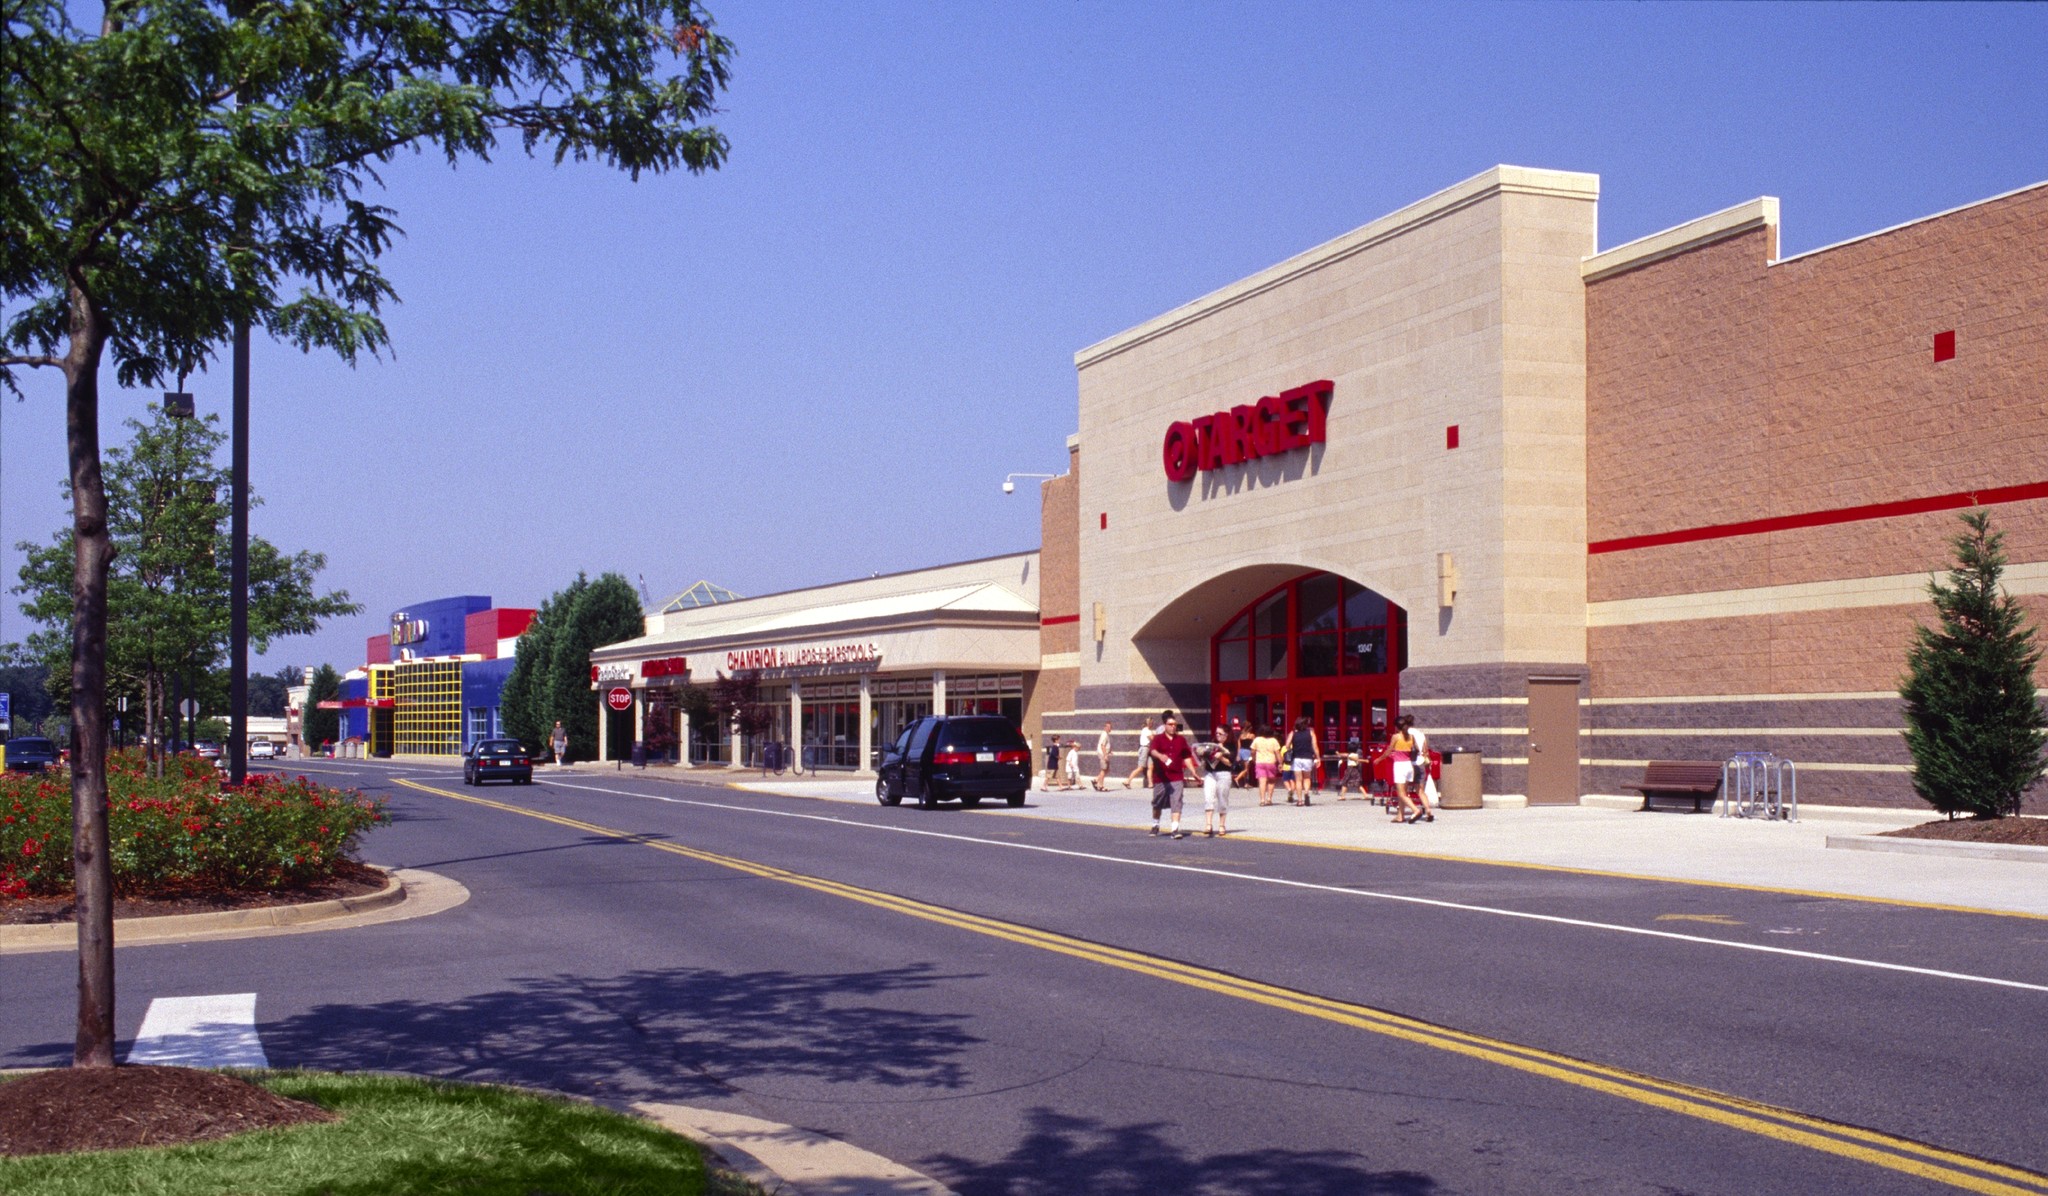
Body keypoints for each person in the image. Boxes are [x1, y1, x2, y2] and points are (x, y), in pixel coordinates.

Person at [1146, 711, 1200, 838]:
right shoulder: (1158, 739)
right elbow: (1152, 751)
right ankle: (1155, 825)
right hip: (1161, 777)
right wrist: (1160, 756)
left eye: (1175, 724)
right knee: (1157, 803)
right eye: (1170, 724)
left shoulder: (1180, 740)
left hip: (1176, 776)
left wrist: (1193, 772)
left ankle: (1175, 829)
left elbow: (1186, 756)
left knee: (1177, 801)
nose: (1173, 727)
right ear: (1165, 725)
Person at [1389, 714, 1432, 822]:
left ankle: (1403, 814)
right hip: (1420, 763)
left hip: (1409, 763)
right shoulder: (1421, 734)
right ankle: (1428, 811)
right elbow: (1425, 749)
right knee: (1420, 791)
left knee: (1402, 792)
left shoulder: (1405, 734)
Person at [1198, 733, 1235, 837]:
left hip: (1223, 773)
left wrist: (1221, 757)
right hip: (1210, 773)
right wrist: (1201, 753)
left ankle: (1222, 825)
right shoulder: (1211, 745)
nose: (1218, 735)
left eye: (1220, 733)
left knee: (1222, 799)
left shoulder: (1231, 746)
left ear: (1226, 735)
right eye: (1217, 733)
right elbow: (1202, 756)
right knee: (1208, 797)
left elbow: (1230, 763)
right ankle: (1208, 824)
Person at [1286, 716, 1320, 806]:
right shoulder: (1311, 733)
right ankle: (1306, 793)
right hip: (1307, 758)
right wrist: (1318, 758)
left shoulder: (1293, 733)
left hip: (1296, 758)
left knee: (1298, 780)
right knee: (1307, 778)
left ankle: (1299, 800)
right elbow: (1315, 746)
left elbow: (1287, 745)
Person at [1250, 723, 1282, 805]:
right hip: (1271, 762)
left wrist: (1253, 759)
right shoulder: (1274, 740)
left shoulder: (1257, 740)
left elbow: (1253, 751)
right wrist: (1280, 763)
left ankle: (1262, 800)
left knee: (1262, 781)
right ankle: (1269, 799)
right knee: (1271, 781)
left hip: (1260, 762)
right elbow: (1277, 753)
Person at [1124, 717, 1157, 788]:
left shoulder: (1147, 730)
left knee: (1150, 766)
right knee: (1140, 767)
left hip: (1148, 749)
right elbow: (1153, 739)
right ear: (1149, 723)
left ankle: (1150, 784)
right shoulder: (1146, 730)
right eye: (1152, 723)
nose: (1153, 724)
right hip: (1145, 749)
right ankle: (1128, 781)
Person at [1093, 722, 1114, 791]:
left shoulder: (1105, 734)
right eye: (1108, 727)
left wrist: (1109, 752)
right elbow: (1102, 746)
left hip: (1104, 753)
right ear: (1105, 727)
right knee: (1103, 770)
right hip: (1103, 754)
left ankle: (1096, 780)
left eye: (1110, 727)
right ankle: (1101, 786)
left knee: (1107, 769)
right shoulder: (1104, 735)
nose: (1110, 728)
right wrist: (1105, 755)